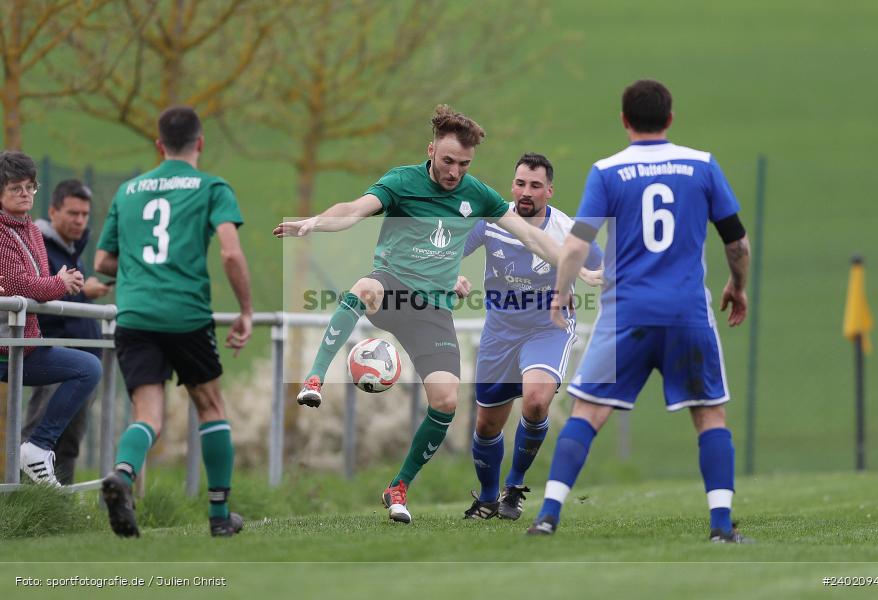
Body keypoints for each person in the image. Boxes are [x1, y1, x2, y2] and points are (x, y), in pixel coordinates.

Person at [274, 105, 603, 525]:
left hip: (432, 312)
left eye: (463, 164)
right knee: (365, 287)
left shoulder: (477, 194)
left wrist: (579, 269)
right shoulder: (401, 181)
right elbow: (354, 209)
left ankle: (399, 487)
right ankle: (316, 376)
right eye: (447, 161)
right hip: (393, 289)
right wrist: (315, 222)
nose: (454, 171)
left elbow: (534, 240)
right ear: (431, 150)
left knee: (447, 401)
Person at [527, 80, 751, 543]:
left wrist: (560, 293)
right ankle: (721, 527)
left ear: (624, 120)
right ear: (670, 119)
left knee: (586, 412)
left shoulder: (607, 172)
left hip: (624, 315)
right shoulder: (702, 165)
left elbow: (576, 245)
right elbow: (737, 241)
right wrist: (738, 285)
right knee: (709, 415)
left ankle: (547, 516)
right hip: (687, 313)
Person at [95, 106, 253, 538]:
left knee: (148, 414)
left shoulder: (127, 192)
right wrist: (245, 310)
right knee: (211, 407)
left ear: (158, 144)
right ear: (200, 143)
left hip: (135, 316)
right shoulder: (212, 187)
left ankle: (123, 476)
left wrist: (137, 269)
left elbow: (103, 260)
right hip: (185, 316)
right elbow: (230, 252)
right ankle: (220, 516)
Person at [454, 153, 603, 520]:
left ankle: (514, 487)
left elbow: (603, 266)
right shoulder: (491, 220)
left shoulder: (567, 230)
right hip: (499, 331)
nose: (526, 192)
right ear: (512, 186)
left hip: (547, 327)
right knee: (487, 423)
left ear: (549, 191)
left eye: (535, 185)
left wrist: (598, 281)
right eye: (520, 183)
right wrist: (450, 276)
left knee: (536, 401)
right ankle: (488, 498)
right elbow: (448, 252)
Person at [0, 151, 101, 487]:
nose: (26, 193)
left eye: (30, 186)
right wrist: (59, 283)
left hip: (26, 345)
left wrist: (52, 284)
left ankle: (38, 450)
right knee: (86, 368)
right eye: (16, 188)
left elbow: (36, 282)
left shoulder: (29, 229)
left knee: (88, 368)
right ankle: (33, 457)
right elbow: (21, 285)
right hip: (6, 346)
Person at [22, 179, 112, 485]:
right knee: (36, 437)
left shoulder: (73, 251)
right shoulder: (38, 246)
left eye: (85, 215)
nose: (79, 220)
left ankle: (60, 505)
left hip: (83, 359)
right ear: (52, 211)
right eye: (73, 213)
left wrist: (82, 292)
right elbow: (35, 290)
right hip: (52, 353)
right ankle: (25, 502)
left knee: (70, 442)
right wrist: (80, 290)